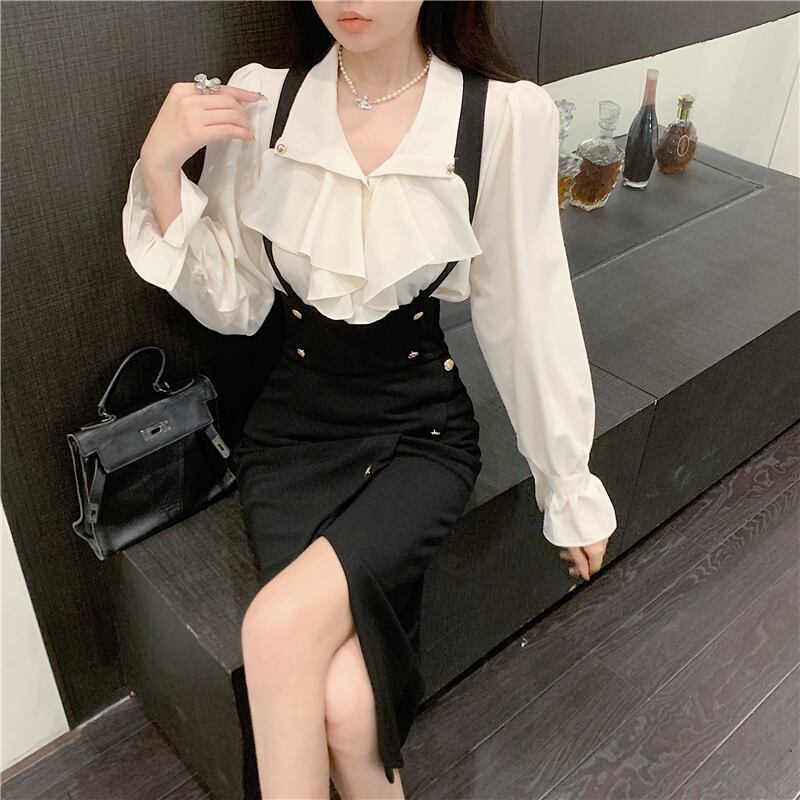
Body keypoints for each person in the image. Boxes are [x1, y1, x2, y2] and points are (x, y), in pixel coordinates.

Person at [121, 2, 618, 797]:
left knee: (276, 628)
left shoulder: (501, 117)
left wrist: (568, 484)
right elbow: (238, 303)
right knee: (348, 709)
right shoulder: (266, 101)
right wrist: (158, 169)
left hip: (420, 436)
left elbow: (529, 311)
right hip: (291, 440)